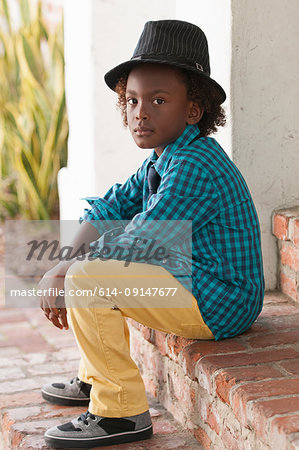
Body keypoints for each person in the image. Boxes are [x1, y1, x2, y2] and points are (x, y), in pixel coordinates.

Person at [39, 20, 264, 448]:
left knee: (89, 278)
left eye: (158, 100)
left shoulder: (195, 165)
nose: (140, 112)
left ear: (193, 110)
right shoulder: (164, 157)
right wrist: (58, 265)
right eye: (132, 99)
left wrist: (67, 270)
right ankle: (96, 378)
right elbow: (109, 207)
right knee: (84, 270)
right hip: (196, 283)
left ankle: (121, 412)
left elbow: (141, 242)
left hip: (221, 301)